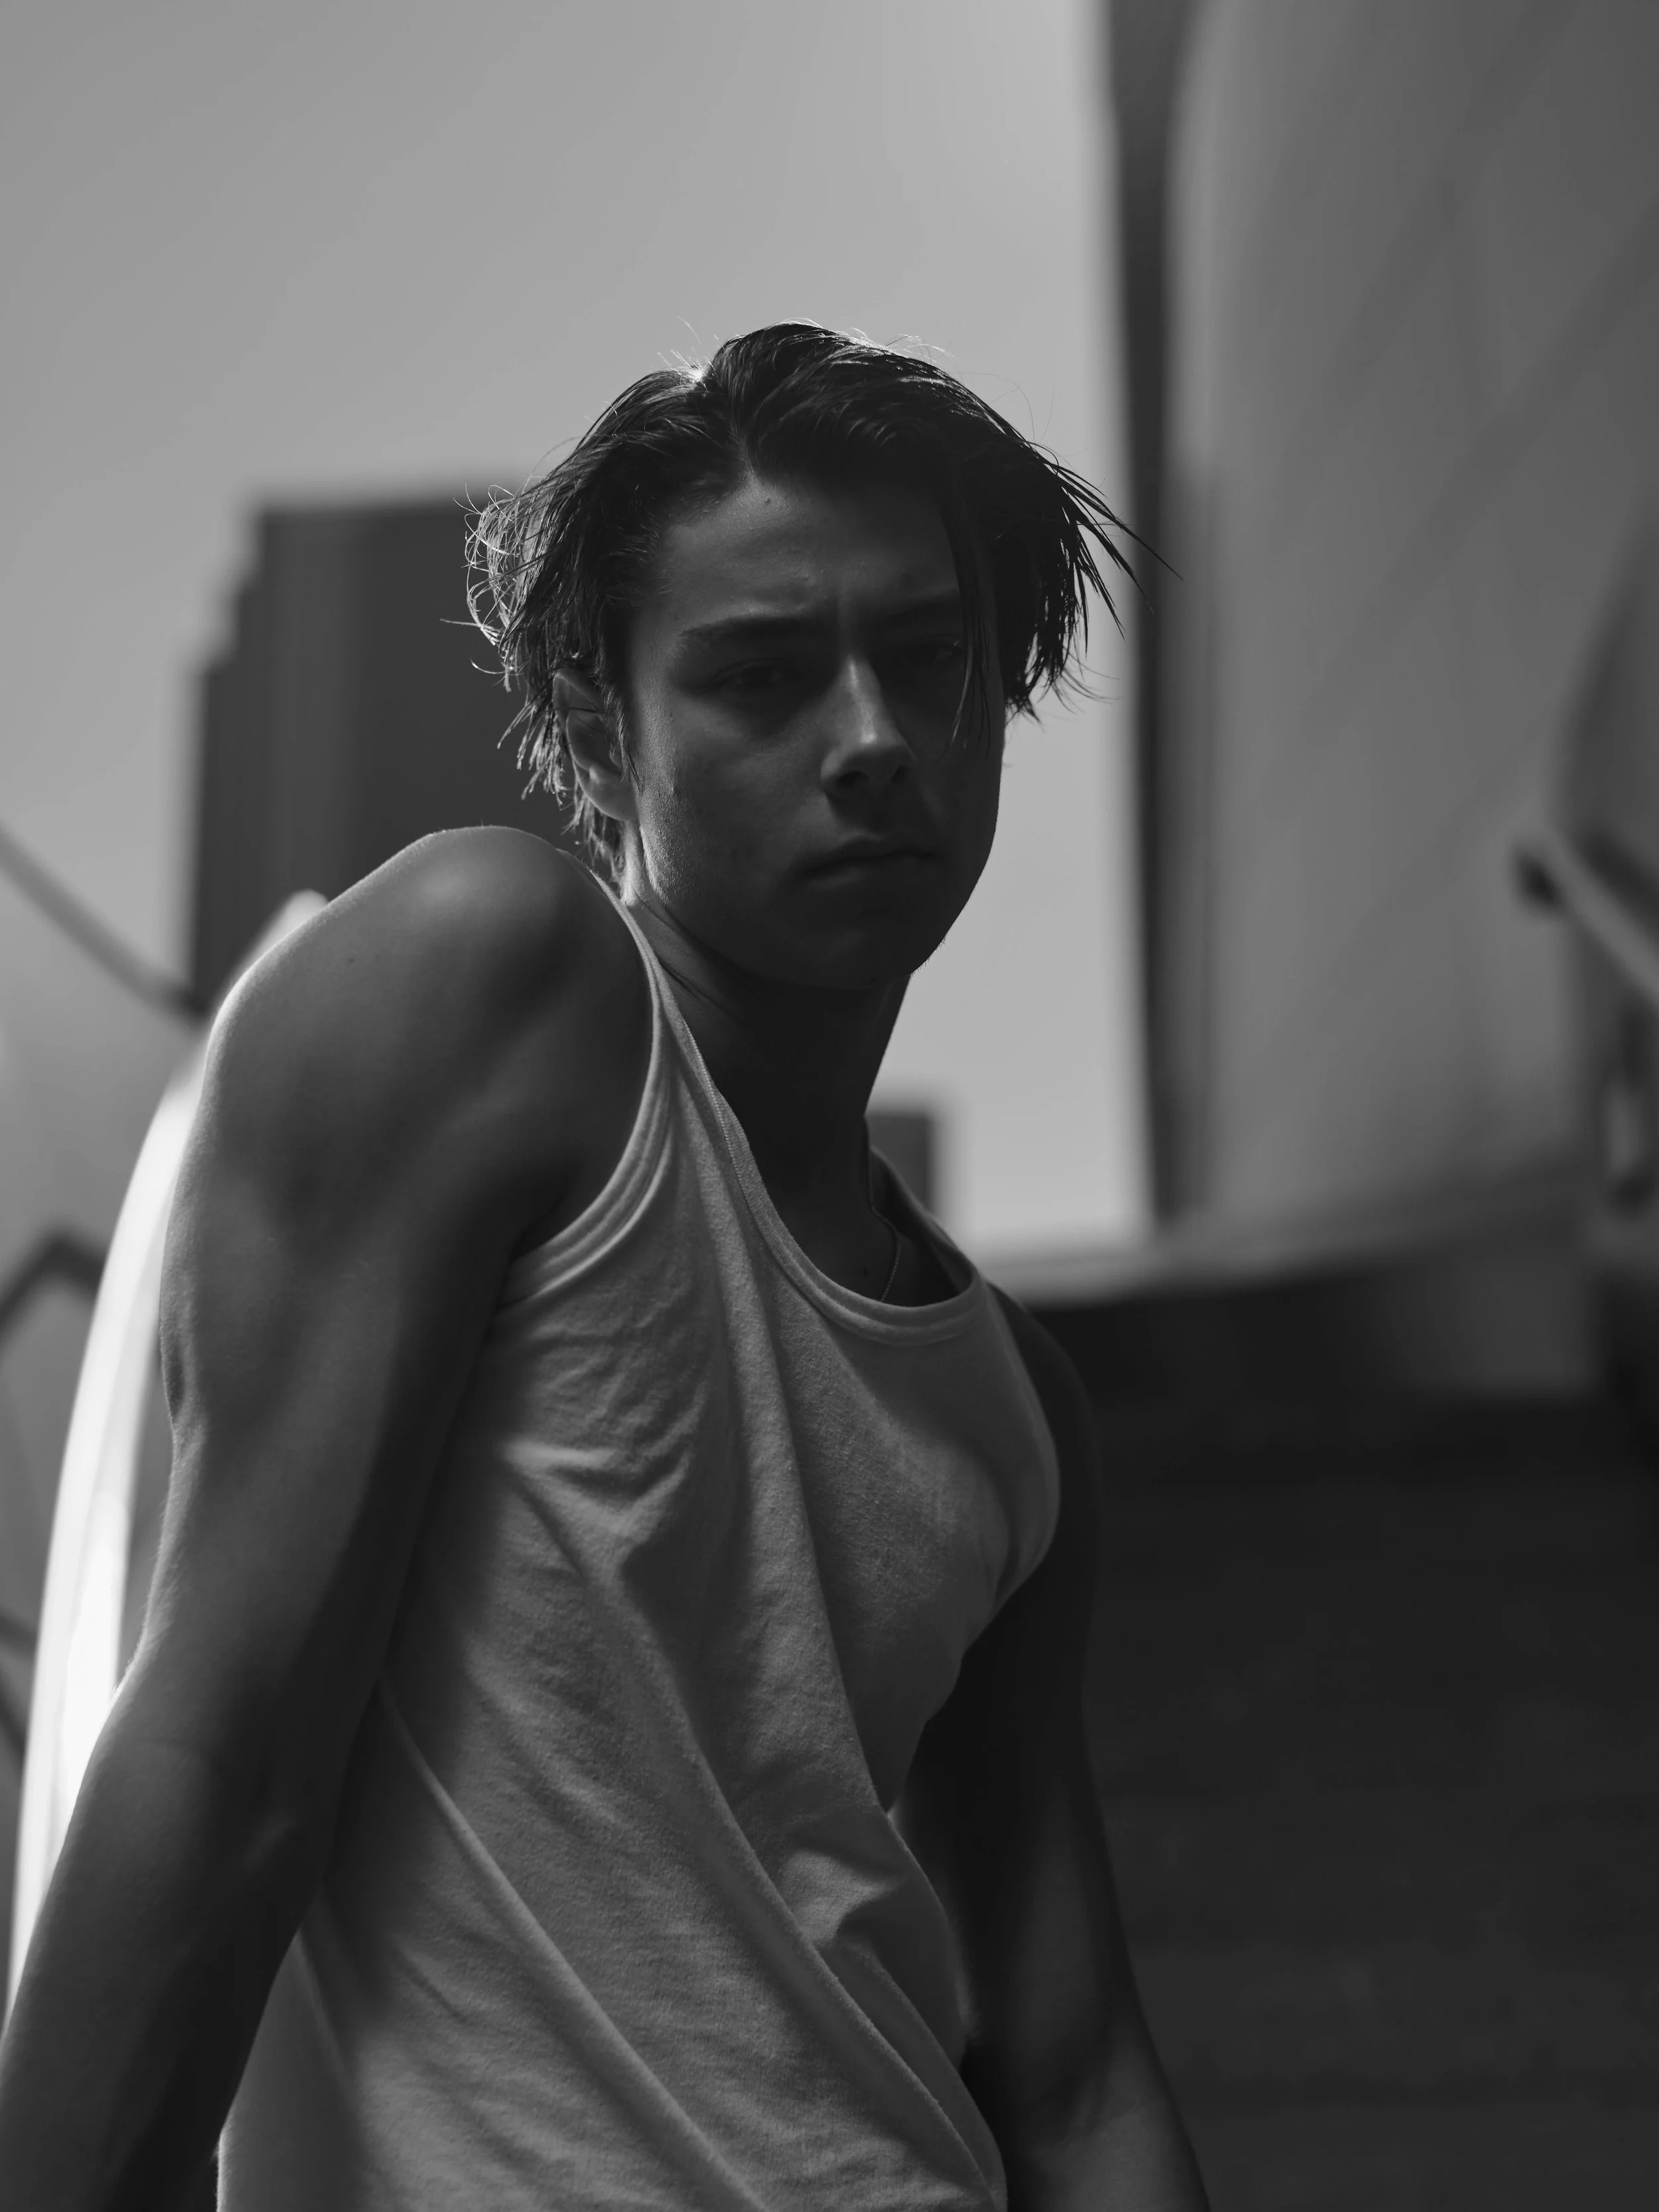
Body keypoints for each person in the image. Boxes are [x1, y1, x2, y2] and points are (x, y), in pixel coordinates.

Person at [0, 325, 1208, 2210]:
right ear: (600, 706)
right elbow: (218, 1759)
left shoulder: (1014, 1408)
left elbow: (1070, 2071)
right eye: (758, 675)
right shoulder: (487, 980)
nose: (874, 738)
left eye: (927, 657)